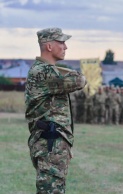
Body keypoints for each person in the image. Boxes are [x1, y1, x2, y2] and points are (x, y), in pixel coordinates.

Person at [25, 27, 87, 193]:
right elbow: (80, 80)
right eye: (62, 42)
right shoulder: (43, 72)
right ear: (49, 46)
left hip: (52, 141)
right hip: (50, 142)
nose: (66, 47)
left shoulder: (44, 70)